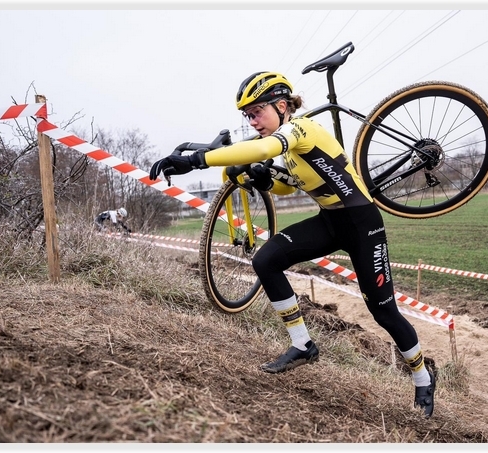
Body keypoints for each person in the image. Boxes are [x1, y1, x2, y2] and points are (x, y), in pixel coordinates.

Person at [149, 72, 436, 417]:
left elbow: (262, 149)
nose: (253, 122)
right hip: (330, 222)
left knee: (383, 312)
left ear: (282, 106)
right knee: (266, 260)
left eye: (257, 113)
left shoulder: (302, 129)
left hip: (363, 224)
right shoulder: (290, 146)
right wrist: (265, 179)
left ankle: (423, 378)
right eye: (248, 116)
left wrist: (197, 161)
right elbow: (288, 186)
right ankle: (302, 344)